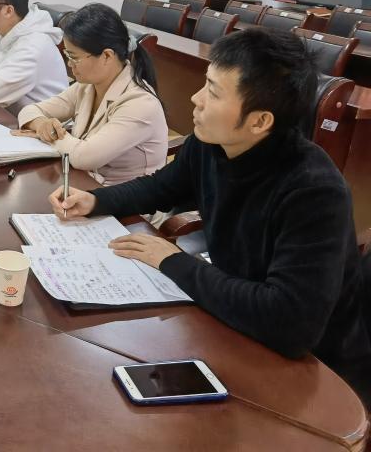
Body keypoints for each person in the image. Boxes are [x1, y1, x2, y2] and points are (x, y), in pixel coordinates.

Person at [51, 28, 371, 407]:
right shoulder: (211, 144)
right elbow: (160, 188)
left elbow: (289, 324)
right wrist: (94, 200)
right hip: (234, 324)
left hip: (315, 373)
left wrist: (173, 262)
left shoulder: (314, 191)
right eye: (205, 83)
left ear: (259, 121)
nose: (196, 98)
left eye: (214, 93)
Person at [15, 3, 167, 185]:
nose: (69, 64)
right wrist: (41, 124)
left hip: (125, 198)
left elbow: (84, 157)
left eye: (74, 57)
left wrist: (50, 135)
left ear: (107, 56)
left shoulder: (140, 103)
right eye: (67, 55)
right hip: (84, 183)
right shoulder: (87, 86)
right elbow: (29, 110)